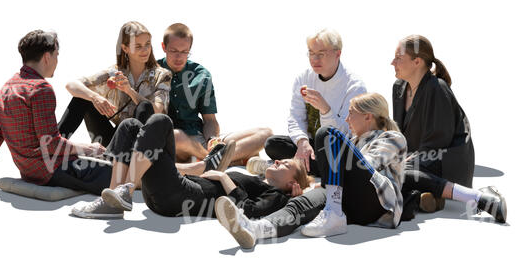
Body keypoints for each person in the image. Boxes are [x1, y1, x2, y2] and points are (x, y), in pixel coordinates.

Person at [0, 30, 120, 212]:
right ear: (46, 57)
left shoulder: (7, 88)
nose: (57, 61)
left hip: (29, 172)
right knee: (123, 174)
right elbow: (52, 145)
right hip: (53, 171)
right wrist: (89, 148)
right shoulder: (41, 89)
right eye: (56, 55)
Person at [216, 93, 407, 248]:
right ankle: (255, 229)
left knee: (328, 134)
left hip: (376, 203)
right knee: (300, 204)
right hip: (350, 204)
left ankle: (333, 213)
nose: (347, 119)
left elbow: (367, 166)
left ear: (368, 116)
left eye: (351, 113)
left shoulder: (392, 138)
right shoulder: (355, 141)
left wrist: (337, 155)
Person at [82, 113, 312, 220]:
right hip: (173, 189)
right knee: (130, 125)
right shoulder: (260, 182)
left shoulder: (274, 195)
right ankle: (111, 199)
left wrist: (224, 179)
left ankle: (127, 188)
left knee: (161, 121)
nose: (279, 160)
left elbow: (250, 211)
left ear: (292, 183)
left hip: (180, 197)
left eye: (286, 164)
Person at [391, 35, 506, 221]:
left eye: (398, 58)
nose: (392, 62)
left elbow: (438, 141)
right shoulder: (399, 88)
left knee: (396, 171)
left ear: (417, 61)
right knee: (386, 169)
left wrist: (404, 160)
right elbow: (399, 133)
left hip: (446, 159)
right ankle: (423, 198)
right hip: (418, 159)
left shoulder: (437, 88)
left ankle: (482, 197)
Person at [157, 23, 273, 165]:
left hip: (199, 140)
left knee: (265, 133)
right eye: (174, 51)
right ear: (164, 47)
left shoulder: (202, 75)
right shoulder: (152, 72)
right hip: (172, 142)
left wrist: (212, 139)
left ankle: (214, 158)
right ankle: (225, 159)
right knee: (176, 137)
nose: (179, 57)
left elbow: (210, 120)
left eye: (184, 52)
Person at [264, 28, 366, 176]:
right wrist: (302, 142)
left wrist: (325, 110)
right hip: (312, 147)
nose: (314, 59)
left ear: (338, 54)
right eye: (311, 53)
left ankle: (299, 167)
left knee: (341, 162)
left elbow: (348, 132)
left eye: (321, 54)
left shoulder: (354, 86)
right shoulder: (304, 78)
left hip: (337, 149)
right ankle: (306, 166)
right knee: (273, 144)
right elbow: (295, 117)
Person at [58, 21, 172, 147]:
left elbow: (157, 111)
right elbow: (71, 85)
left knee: (144, 106)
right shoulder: (115, 72)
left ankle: (129, 162)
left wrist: (129, 91)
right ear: (125, 48)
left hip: (142, 144)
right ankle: (53, 145)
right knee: (82, 98)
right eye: (138, 46)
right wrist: (95, 97)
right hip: (115, 140)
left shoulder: (162, 75)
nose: (145, 50)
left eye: (147, 44)